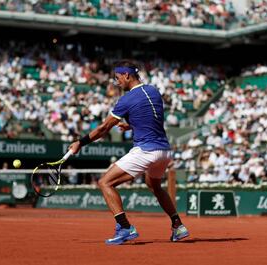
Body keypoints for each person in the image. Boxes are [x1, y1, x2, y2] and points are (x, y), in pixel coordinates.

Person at [68, 60, 189, 245]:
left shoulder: (125, 100)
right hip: (164, 152)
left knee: (105, 182)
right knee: (155, 186)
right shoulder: (154, 91)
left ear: (126, 75)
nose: (117, 82)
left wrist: (80, 142)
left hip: (146, 150)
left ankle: (124, 227)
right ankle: (178, 226)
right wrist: (133, 124)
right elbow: (152, 120)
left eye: (117, 78)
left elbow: (103, 128)